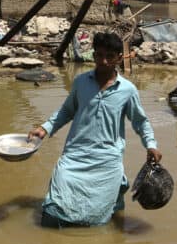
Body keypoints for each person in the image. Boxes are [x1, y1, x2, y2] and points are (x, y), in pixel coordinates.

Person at [28, 31, 162, 228]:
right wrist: (45, 128)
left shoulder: (128, 90)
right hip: (75, 155)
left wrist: (151, 145)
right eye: (99, 55)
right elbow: (67, 110)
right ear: (93, 55)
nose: (104, 61)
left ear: (119, 57)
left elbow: (140, 122)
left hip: (107, 158)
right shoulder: (81, 82)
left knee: (101, 216)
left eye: (109, 56)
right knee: (56, 201)